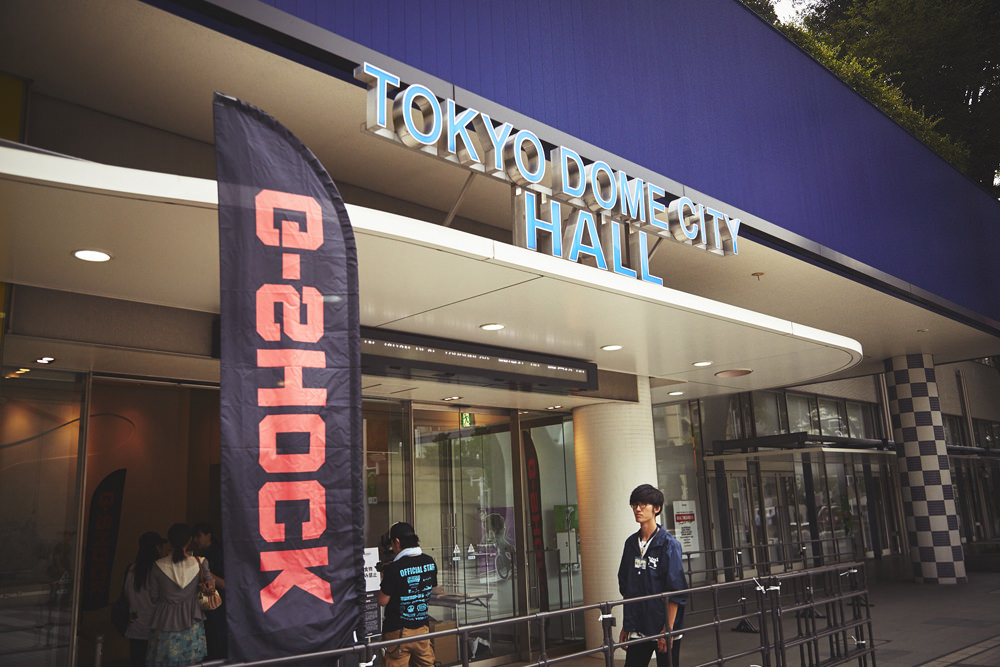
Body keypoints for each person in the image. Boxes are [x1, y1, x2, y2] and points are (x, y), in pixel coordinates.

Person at [617, 484, 688, 667]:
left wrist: (668, 629)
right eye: (634, 505)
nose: (637, 509)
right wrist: (627, 625)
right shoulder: (631, 543)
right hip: (638, 626)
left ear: (656, 508)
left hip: (664, 626)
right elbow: (626, 586)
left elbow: (675, 590)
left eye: (643, 504)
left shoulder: (669, 544)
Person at [146, 523, 211, 667]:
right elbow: (209, 586)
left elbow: (153, 596)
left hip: (164, 622)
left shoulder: (158, 565)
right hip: (192, 621)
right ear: (189, 540)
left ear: (170, 542)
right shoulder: (200, 562)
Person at [378, 521, 438, 667]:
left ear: (397, 542)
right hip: (422, 629)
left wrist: (385, 579)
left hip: (398, 631)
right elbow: (433, 588)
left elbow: (382, 601)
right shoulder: (429, 561)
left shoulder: (394, 568)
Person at [122, 531, 168, 667]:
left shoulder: (131, 569)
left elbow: (126, 595)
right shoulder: (160, 570)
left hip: (135, 628)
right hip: (157, 629)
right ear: (157, 548)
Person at [192, 522, 227, 660]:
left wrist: (206, 574)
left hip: (219, 606)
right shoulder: (203, 554)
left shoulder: (219, 554)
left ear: (208, 535)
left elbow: (226, 584)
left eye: (198, 536)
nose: (196, 540)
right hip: (208, 606)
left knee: (217, 642)